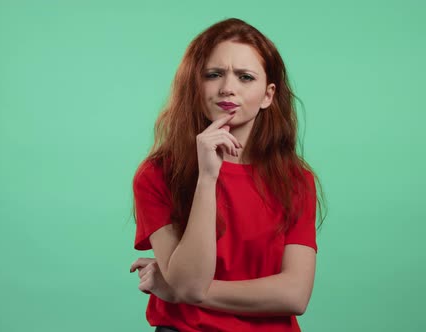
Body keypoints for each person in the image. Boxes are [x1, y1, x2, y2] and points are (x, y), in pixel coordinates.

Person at [129, 17, 326, 332]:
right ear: (196, 84)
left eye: (245, 77)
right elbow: (189, 285)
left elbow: (295, 295)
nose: (227, 88)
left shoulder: (296, 181)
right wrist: (207, 177)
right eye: (213, 74)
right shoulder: (156, 175)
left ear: (267, 95)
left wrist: (178, 290)